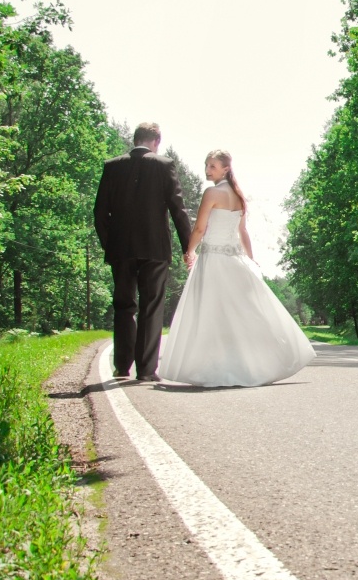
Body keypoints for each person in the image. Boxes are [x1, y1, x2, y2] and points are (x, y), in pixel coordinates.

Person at [159, 150, 316, 387]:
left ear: (225, 169)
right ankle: (250, 364)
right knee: (239, 316)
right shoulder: (239, 196)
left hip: (212, 260)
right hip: (234, 260)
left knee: (212, 315)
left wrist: (189, 251)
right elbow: (243, 232)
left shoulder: (211, 192)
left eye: (212, 166)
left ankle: (217, 368)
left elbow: (200, 228)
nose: (207, 170)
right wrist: (250, 260)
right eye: (206, 165)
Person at [94, 123, 193, 381]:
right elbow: (178, 209)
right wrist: (188, 248)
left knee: (124, 305)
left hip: (121, 249)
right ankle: (147, 370)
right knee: (151, 306)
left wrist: (110, 245)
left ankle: (121, 367)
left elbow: (99, 213)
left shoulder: (112, 166)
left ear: (135, 139)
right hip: (154, 248)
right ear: (156, 142)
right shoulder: (164, 165)